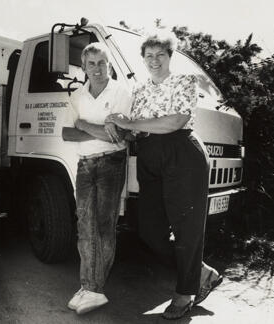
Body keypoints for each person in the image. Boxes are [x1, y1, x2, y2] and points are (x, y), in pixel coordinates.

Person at [105, 30, 223, 320]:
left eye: (160, 55)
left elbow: (176, 121)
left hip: (181, 153)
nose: (154, 60)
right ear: (143, 59)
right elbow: (133, 128)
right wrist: (115, 121)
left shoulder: (185, 81)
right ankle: (201, 272)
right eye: (149, 56)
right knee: (149, 230)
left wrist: (131, 121)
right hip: (148, 158)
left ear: (170, 56)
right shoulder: (140, 90)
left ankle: (185, 293)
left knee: (186, 228)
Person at [62, 42, 132, 315]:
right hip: (84, 166)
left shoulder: (120, 92)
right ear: (84, 67)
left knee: (103, 226)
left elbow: (120, 136)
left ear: (109, 65)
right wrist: (100, 128)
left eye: (101, 63)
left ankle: (95, 289)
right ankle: (88, 285)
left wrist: (83, 124)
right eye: (91, 64)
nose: (97, 68)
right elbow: (67, 134)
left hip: (111, 163)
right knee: (84, 226)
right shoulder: (77, 96)